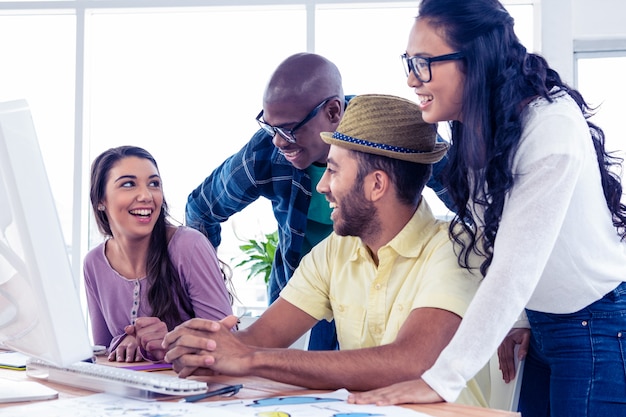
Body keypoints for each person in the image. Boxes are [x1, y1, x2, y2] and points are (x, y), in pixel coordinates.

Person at [347, 1, 626, 416]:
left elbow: (514, 267)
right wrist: (522, 320)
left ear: (475, 62)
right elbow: (496, 232)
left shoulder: (550, 128)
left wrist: (439, 380)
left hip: (596, 325)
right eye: (409, 61)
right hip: (547, 321)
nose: (410, 79)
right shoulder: (476, 122)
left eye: (423, 64)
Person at [163, 94, 487, 407]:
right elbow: (262, 336)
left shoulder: (455, 248)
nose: (322, 186)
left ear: (376, 185)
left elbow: (411, 361)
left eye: (333, 170)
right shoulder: (334, 251)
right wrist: (198, 348)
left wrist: (249, 359)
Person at [185, 52, 453, 351]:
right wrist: (210, 308)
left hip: (384, 288)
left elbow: (484, 209)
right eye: (270, 127)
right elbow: (200, 209)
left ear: (333, 111)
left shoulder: (390, 135)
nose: (278, 140)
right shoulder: (267, 153)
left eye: (288, 128)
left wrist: (503, 316)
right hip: (306, 290)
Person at [84, 146, 233, 363]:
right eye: (128, 184)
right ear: (100, 200)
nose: (146, 196)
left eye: (154, 184)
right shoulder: (94, 263)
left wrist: (168, 343)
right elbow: (105, 356)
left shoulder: (189, 246)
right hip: (131, 392)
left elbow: (227, 344)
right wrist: (127, 343)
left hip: (196, 390)